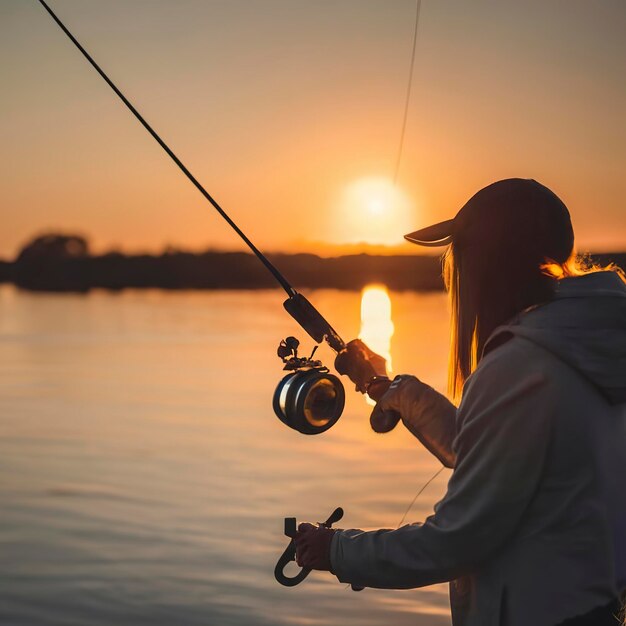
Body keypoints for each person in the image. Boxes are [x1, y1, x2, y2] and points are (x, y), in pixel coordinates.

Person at [294, 179, 626, 626]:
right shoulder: (589, 344)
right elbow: (492, 457)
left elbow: (458, 539)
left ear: (487, 261)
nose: (455, 272)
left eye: (459, 256)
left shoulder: (522, 363)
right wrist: (385, 387)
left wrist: (336, 550)